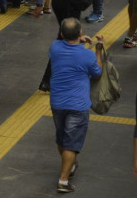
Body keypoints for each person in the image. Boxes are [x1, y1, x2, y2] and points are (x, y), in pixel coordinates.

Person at [48, 18, 103, 193]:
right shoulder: (87, 55)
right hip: (77, 106)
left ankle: (69, 166)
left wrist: (77, 41)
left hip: (57, 103)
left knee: (62, 137)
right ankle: (63, 181)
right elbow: (97, 73)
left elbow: (67, 48)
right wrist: (98, 50)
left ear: (62, 34)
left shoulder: (55, 48)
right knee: (71, 143)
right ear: (80, 33)